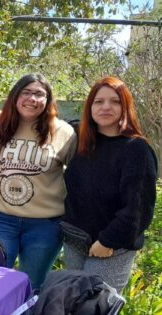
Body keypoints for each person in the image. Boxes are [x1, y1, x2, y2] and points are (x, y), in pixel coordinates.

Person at [63, 76, 157, 293]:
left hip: (110, 248)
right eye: (99, 101)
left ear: (125, 107)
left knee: (95, 307)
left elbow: (138, 209)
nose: (106, 107)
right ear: (90, 107)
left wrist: (108, 241)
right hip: (75, 241)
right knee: (73, 304)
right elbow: (48, 122)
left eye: (115, 101)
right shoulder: (83, 140)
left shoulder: (136, 150)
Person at [0, 73, 76, 291]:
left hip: (45, 225)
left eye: (39, 94)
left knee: (31, 286)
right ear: (15, 96)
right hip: (1, 220)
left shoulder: (63, 131)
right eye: (26, 92)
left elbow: (78, 176)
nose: (32, 99)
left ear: (48, 100)